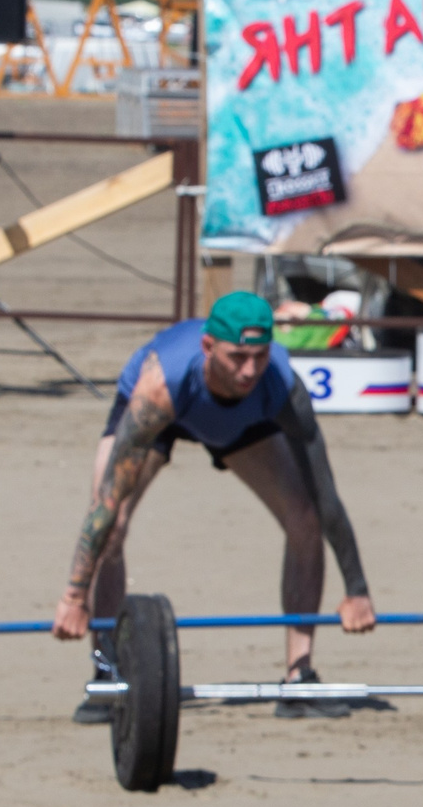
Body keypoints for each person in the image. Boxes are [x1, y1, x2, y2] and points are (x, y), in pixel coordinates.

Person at [52, 292, 376, 719]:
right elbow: (107, 502)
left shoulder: (279, 386)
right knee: (113, 525)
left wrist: (356, 591)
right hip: (164, 416)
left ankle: (299, 676)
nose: (249, 370)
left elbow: (326, 494)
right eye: (237, 357)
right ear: (209, 348)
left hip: (239, 423)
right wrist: (75, 596)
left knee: (304, 516)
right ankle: (107, 675)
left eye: (260, 356)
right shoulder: (159, 385)